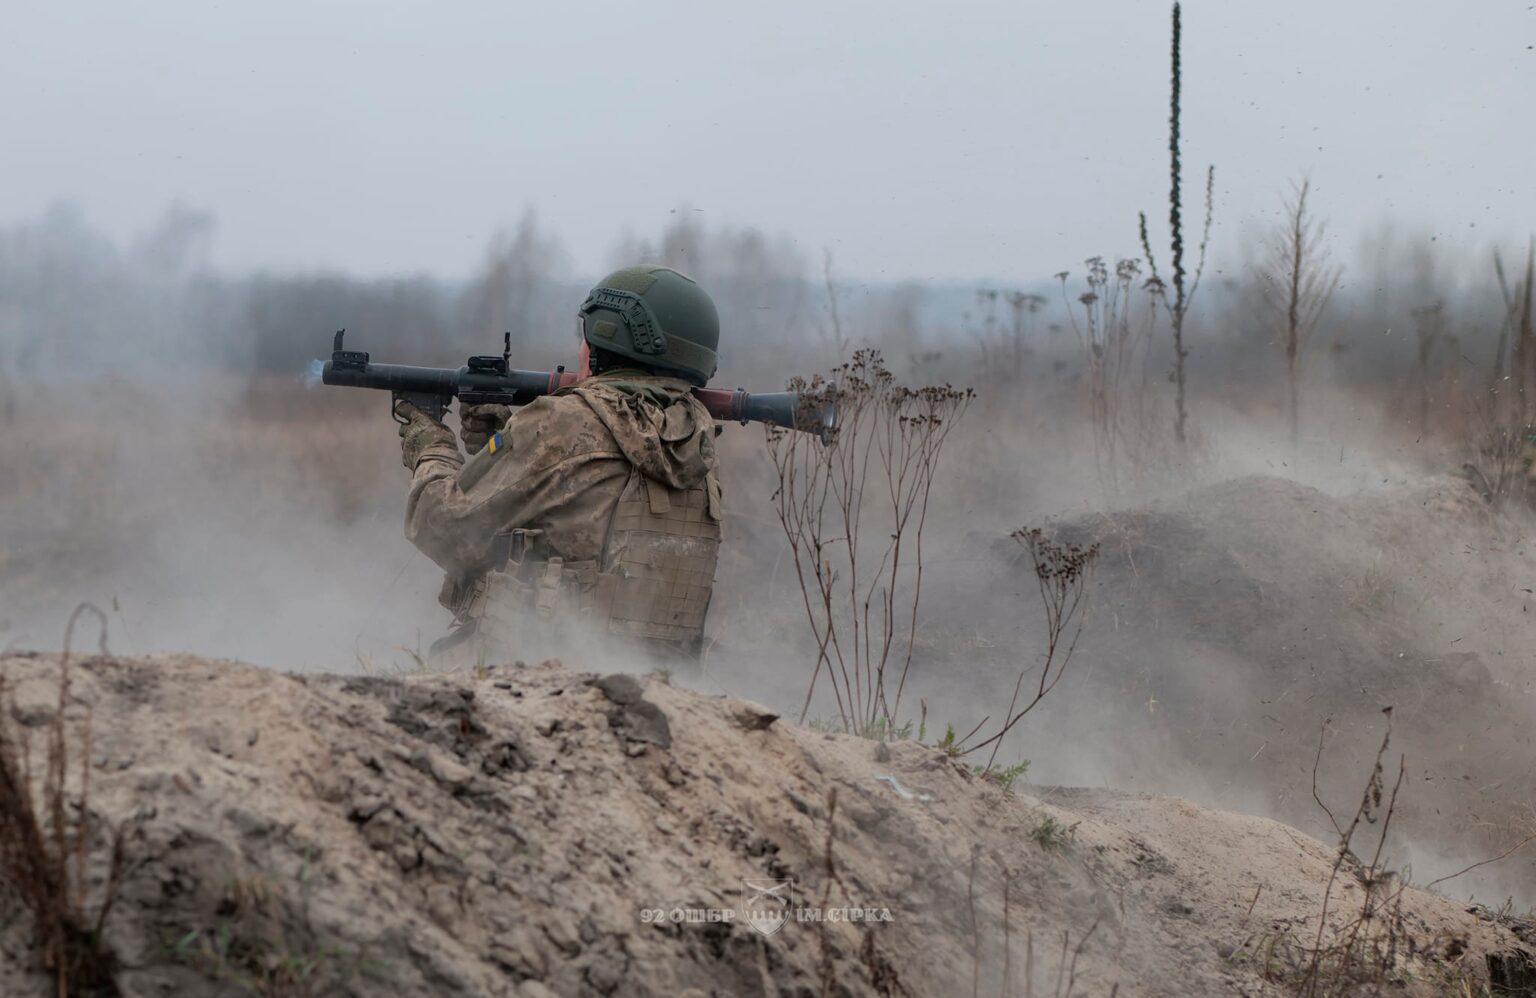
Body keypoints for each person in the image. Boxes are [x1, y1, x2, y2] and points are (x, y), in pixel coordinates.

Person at [394, 265, 724, 668]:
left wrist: (431, 445)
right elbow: (591, 517)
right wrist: (501, 444)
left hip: (538, 676)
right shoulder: (696, 440)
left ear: (607, 341)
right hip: (659, 684)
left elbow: (439, 525)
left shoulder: (563, 422)